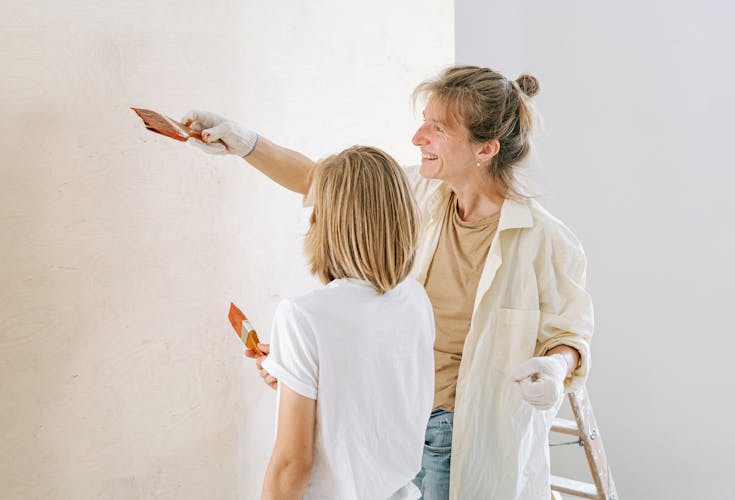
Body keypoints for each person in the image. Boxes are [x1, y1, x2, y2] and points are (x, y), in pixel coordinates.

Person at [183, 65, 593, 500]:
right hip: (396, 422)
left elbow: (570, 333)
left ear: (485, 149)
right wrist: (244, 142)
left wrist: (557, 365)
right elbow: (324, 181)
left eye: (437, 128)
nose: (419, 138)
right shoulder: (418, 192)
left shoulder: (546, 240)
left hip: (460, 432)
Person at [252, 146, 434, 500]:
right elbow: (375, 390)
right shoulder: (415, 299)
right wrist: (296, 371)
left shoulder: (302, 316)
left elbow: (293, 463)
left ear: (329, 222)